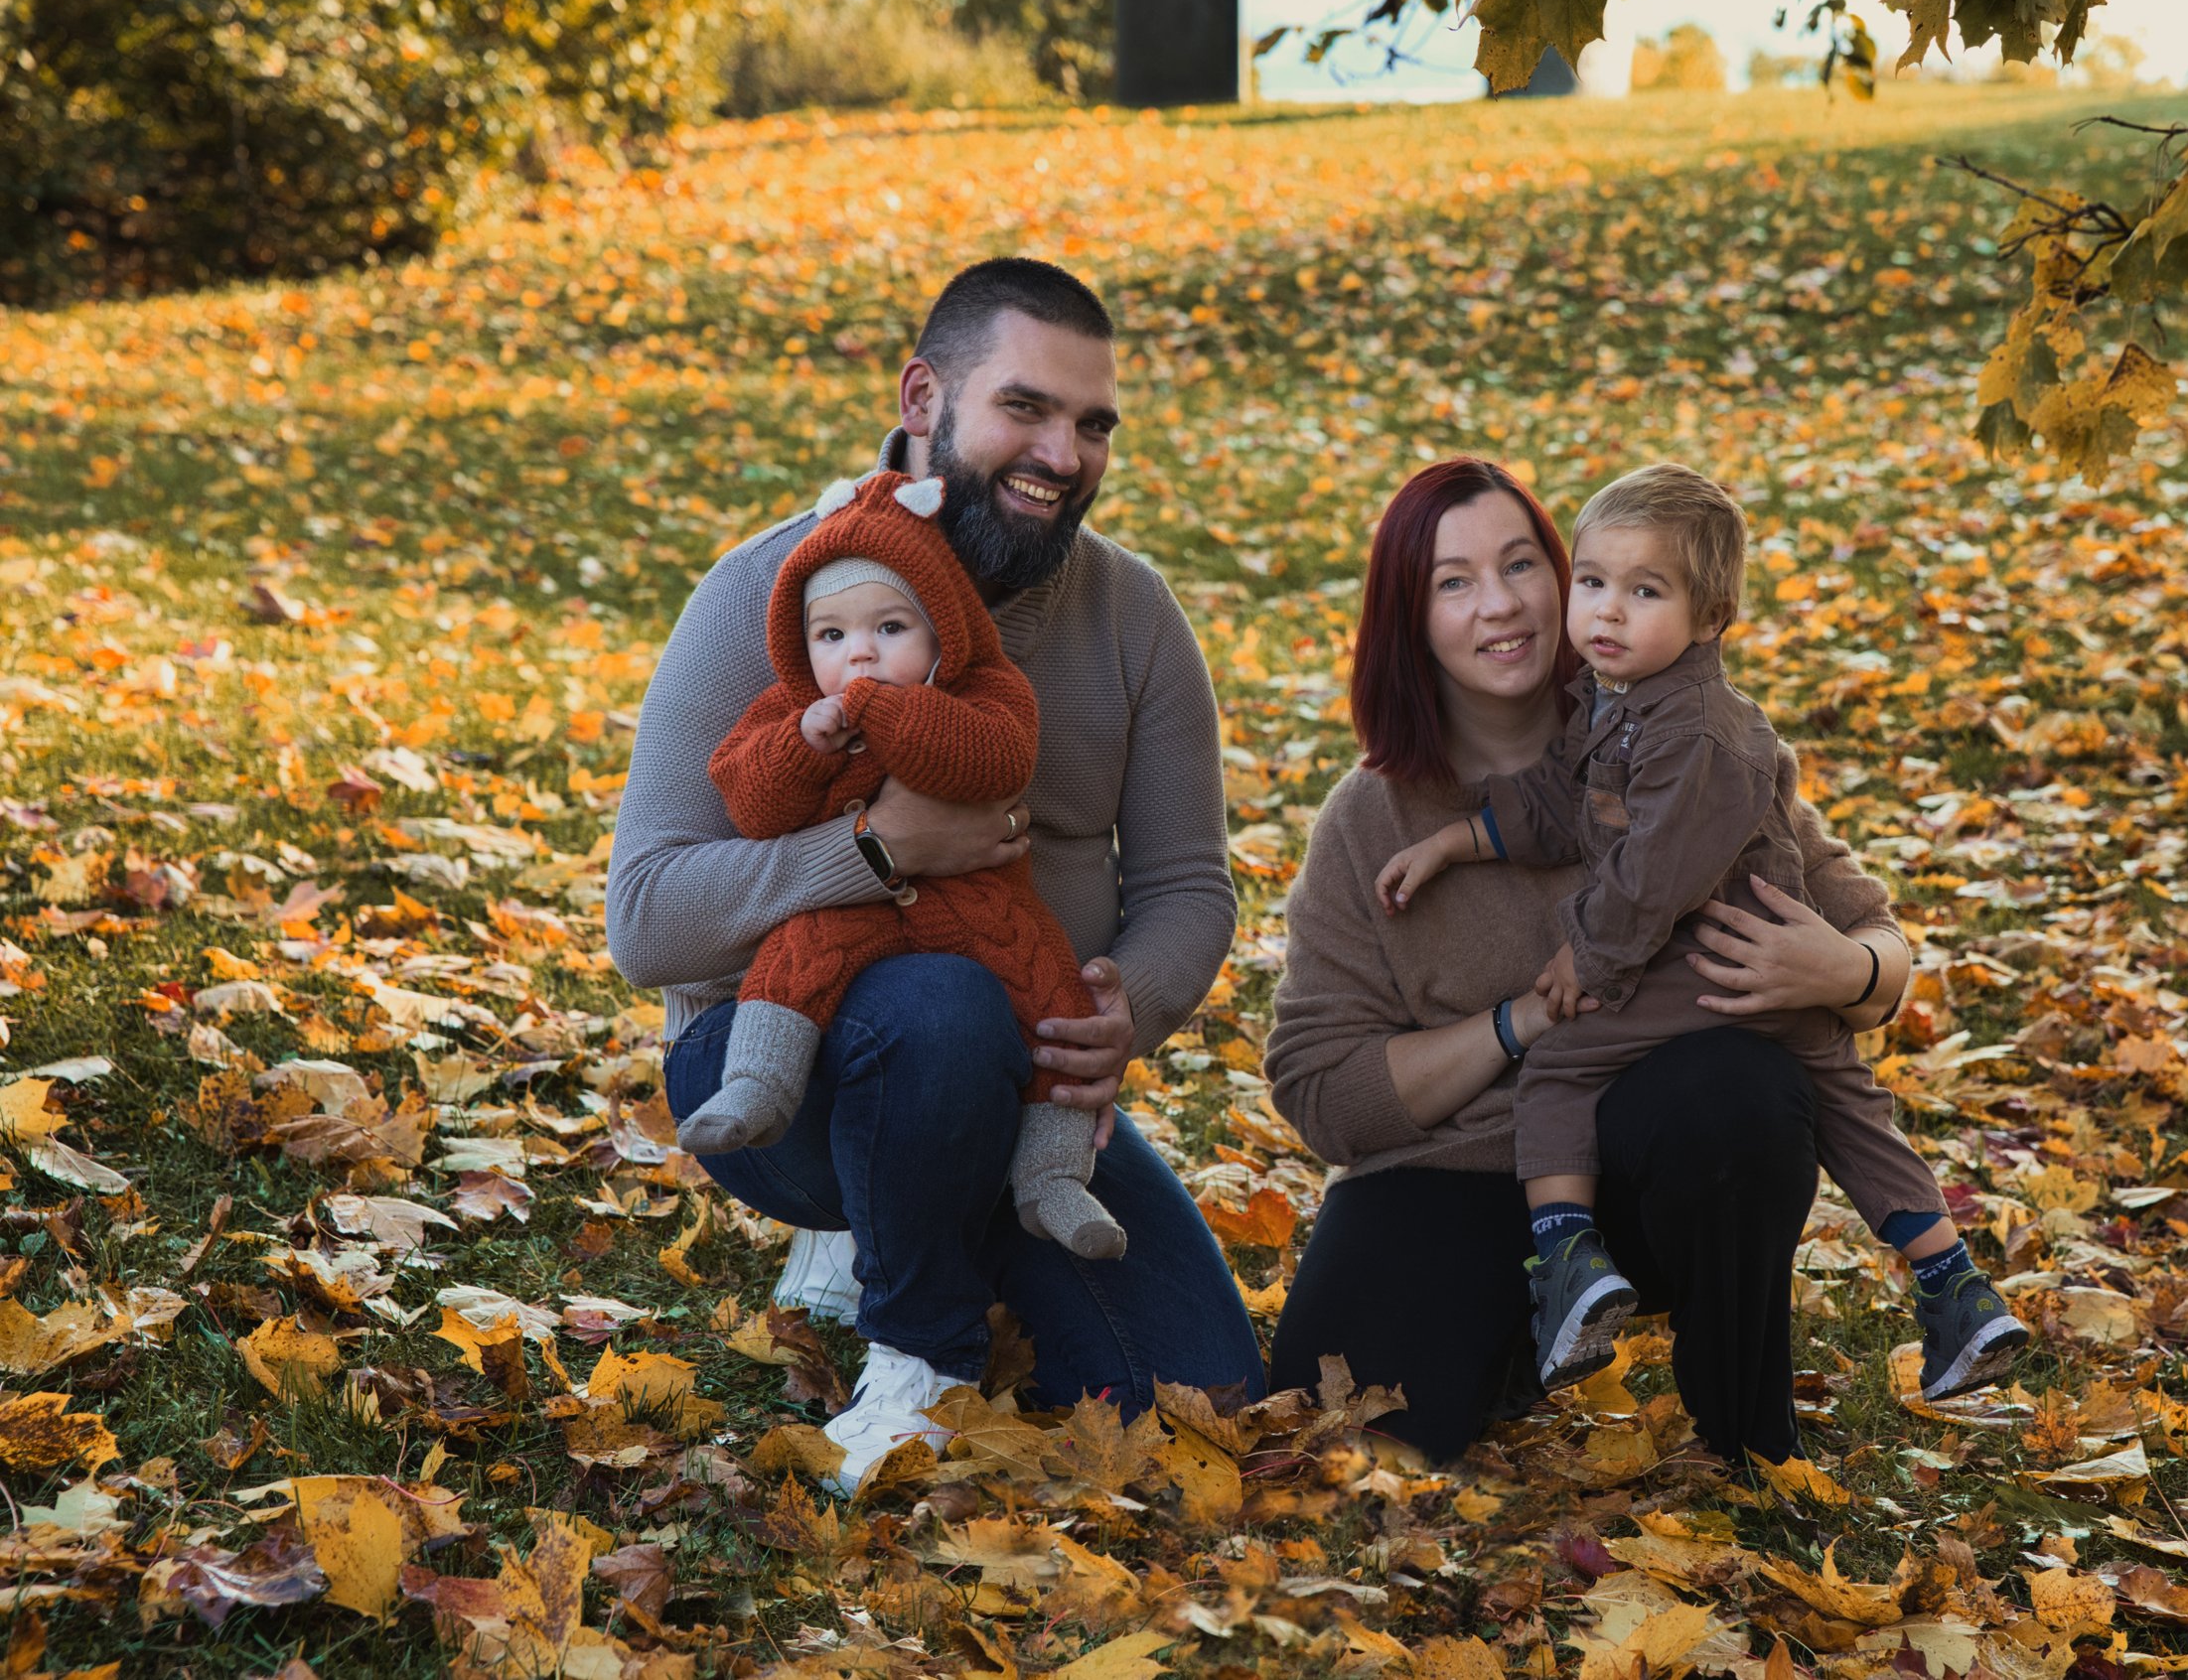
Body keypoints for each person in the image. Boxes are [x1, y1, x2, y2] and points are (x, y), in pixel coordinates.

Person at [609, 258, 1261, 1492]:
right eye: (1026, 407)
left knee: (1193, 1396)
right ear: (923, 398)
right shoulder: (769, 593)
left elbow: (1190, 882)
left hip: (1017, 1081)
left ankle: (923, 1218)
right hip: (782, 1072)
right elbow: (644, 919)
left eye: (1093, 424)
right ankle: (909, 1347)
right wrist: (875, 852)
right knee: (936, 1008)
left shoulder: (1132, 613)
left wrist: (1125, 1007)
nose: (1063, 453)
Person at [1267, 459, 1912, 1467]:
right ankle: (1519, 1337)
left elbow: (1878, 937)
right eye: (1453, 581)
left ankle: (1745, 1434)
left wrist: (1845, 972)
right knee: (1336, 1432)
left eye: (1521, 565)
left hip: (1650, 1160)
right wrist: (1519, 1022)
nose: (1500, 604)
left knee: (1741, 1089)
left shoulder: (1681, 742)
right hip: (1453, 1172)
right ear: (1410, 618)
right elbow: (1322, 1095)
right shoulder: (1369, 820)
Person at [1375, 464, 2029, 1403]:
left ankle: (1566, 1259)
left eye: (1645, 592)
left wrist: (1587, 958)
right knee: (1851, 1110)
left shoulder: (1698, 733)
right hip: (1763, 979)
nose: (1607, 610)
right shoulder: (1618, 703)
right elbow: (1557, 804)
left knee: (1558, 1064)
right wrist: (1455, 840)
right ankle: (1954, 1286)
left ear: (1712, 616)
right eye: (1593, 581)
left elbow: (1653, 876)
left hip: (1711, 967)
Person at [672, 468, 1122, 1262]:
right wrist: (803, 746)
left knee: (1052, 1000)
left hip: (982, 913)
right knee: (795, 961)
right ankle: (757, 1088)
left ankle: (1053, 1174)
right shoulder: (790, 713)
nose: (861, 653)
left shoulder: (989, 693)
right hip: (845, 914)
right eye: (831, 636)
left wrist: (880, 708)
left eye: (890, 627)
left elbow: (989, 761)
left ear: (943, 630)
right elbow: (751, 801)